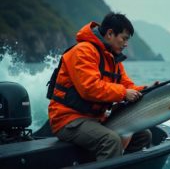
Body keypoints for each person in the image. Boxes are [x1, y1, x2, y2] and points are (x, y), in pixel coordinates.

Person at [48, 12, 153, 161]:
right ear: (110, 34)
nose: (126, 44)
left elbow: (127, 86)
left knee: (144, 135)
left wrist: (148, 89)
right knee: (111, 141)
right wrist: (124, 93)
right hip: (68, 119)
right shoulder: (83, 51)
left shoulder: (113, 59)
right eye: (124, 38)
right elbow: (89, 88)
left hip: (96, 119)